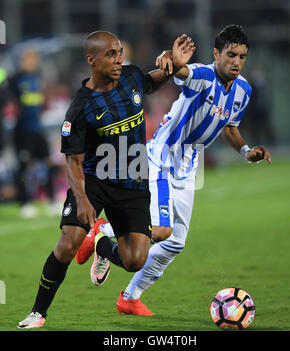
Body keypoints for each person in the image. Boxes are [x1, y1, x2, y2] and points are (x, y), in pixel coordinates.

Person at [76, 25, 272, 316]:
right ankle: (103, 231)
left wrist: (246, 150)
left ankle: (129, 296)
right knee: (162, 231)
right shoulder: (203, 77)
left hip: (188, 167)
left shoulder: (243, 89)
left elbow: (229, 126)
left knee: (175, 243)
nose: (236, 62)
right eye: (231, 55)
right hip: (161, 160)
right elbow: (181, 71)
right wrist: (169, 59)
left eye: (242, 56)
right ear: (216, 54)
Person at [17, 30, 195, 328]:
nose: (118, 59)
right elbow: (72, 160)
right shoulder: (80, 108)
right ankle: (38, 313)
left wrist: (173, 64)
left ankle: (99, 239)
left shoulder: (132, 77)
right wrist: (83, 200)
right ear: (92, 60)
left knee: (134, 260)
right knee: (67, 243)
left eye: (119, 53)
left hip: (134, 181)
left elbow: (153, 80)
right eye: (110, 55)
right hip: (95, 181)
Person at [8, 49, 57, 217]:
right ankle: (25, 203)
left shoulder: (38, 78)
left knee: (49, 163)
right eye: (28, 59)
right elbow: (10, 102)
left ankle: (51, 201)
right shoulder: (15, 80)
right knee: (24, 166)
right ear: (22, 61)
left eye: (34, 59)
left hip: (38, 128)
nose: (31, 62)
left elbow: (42, 101)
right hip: (23, 129)